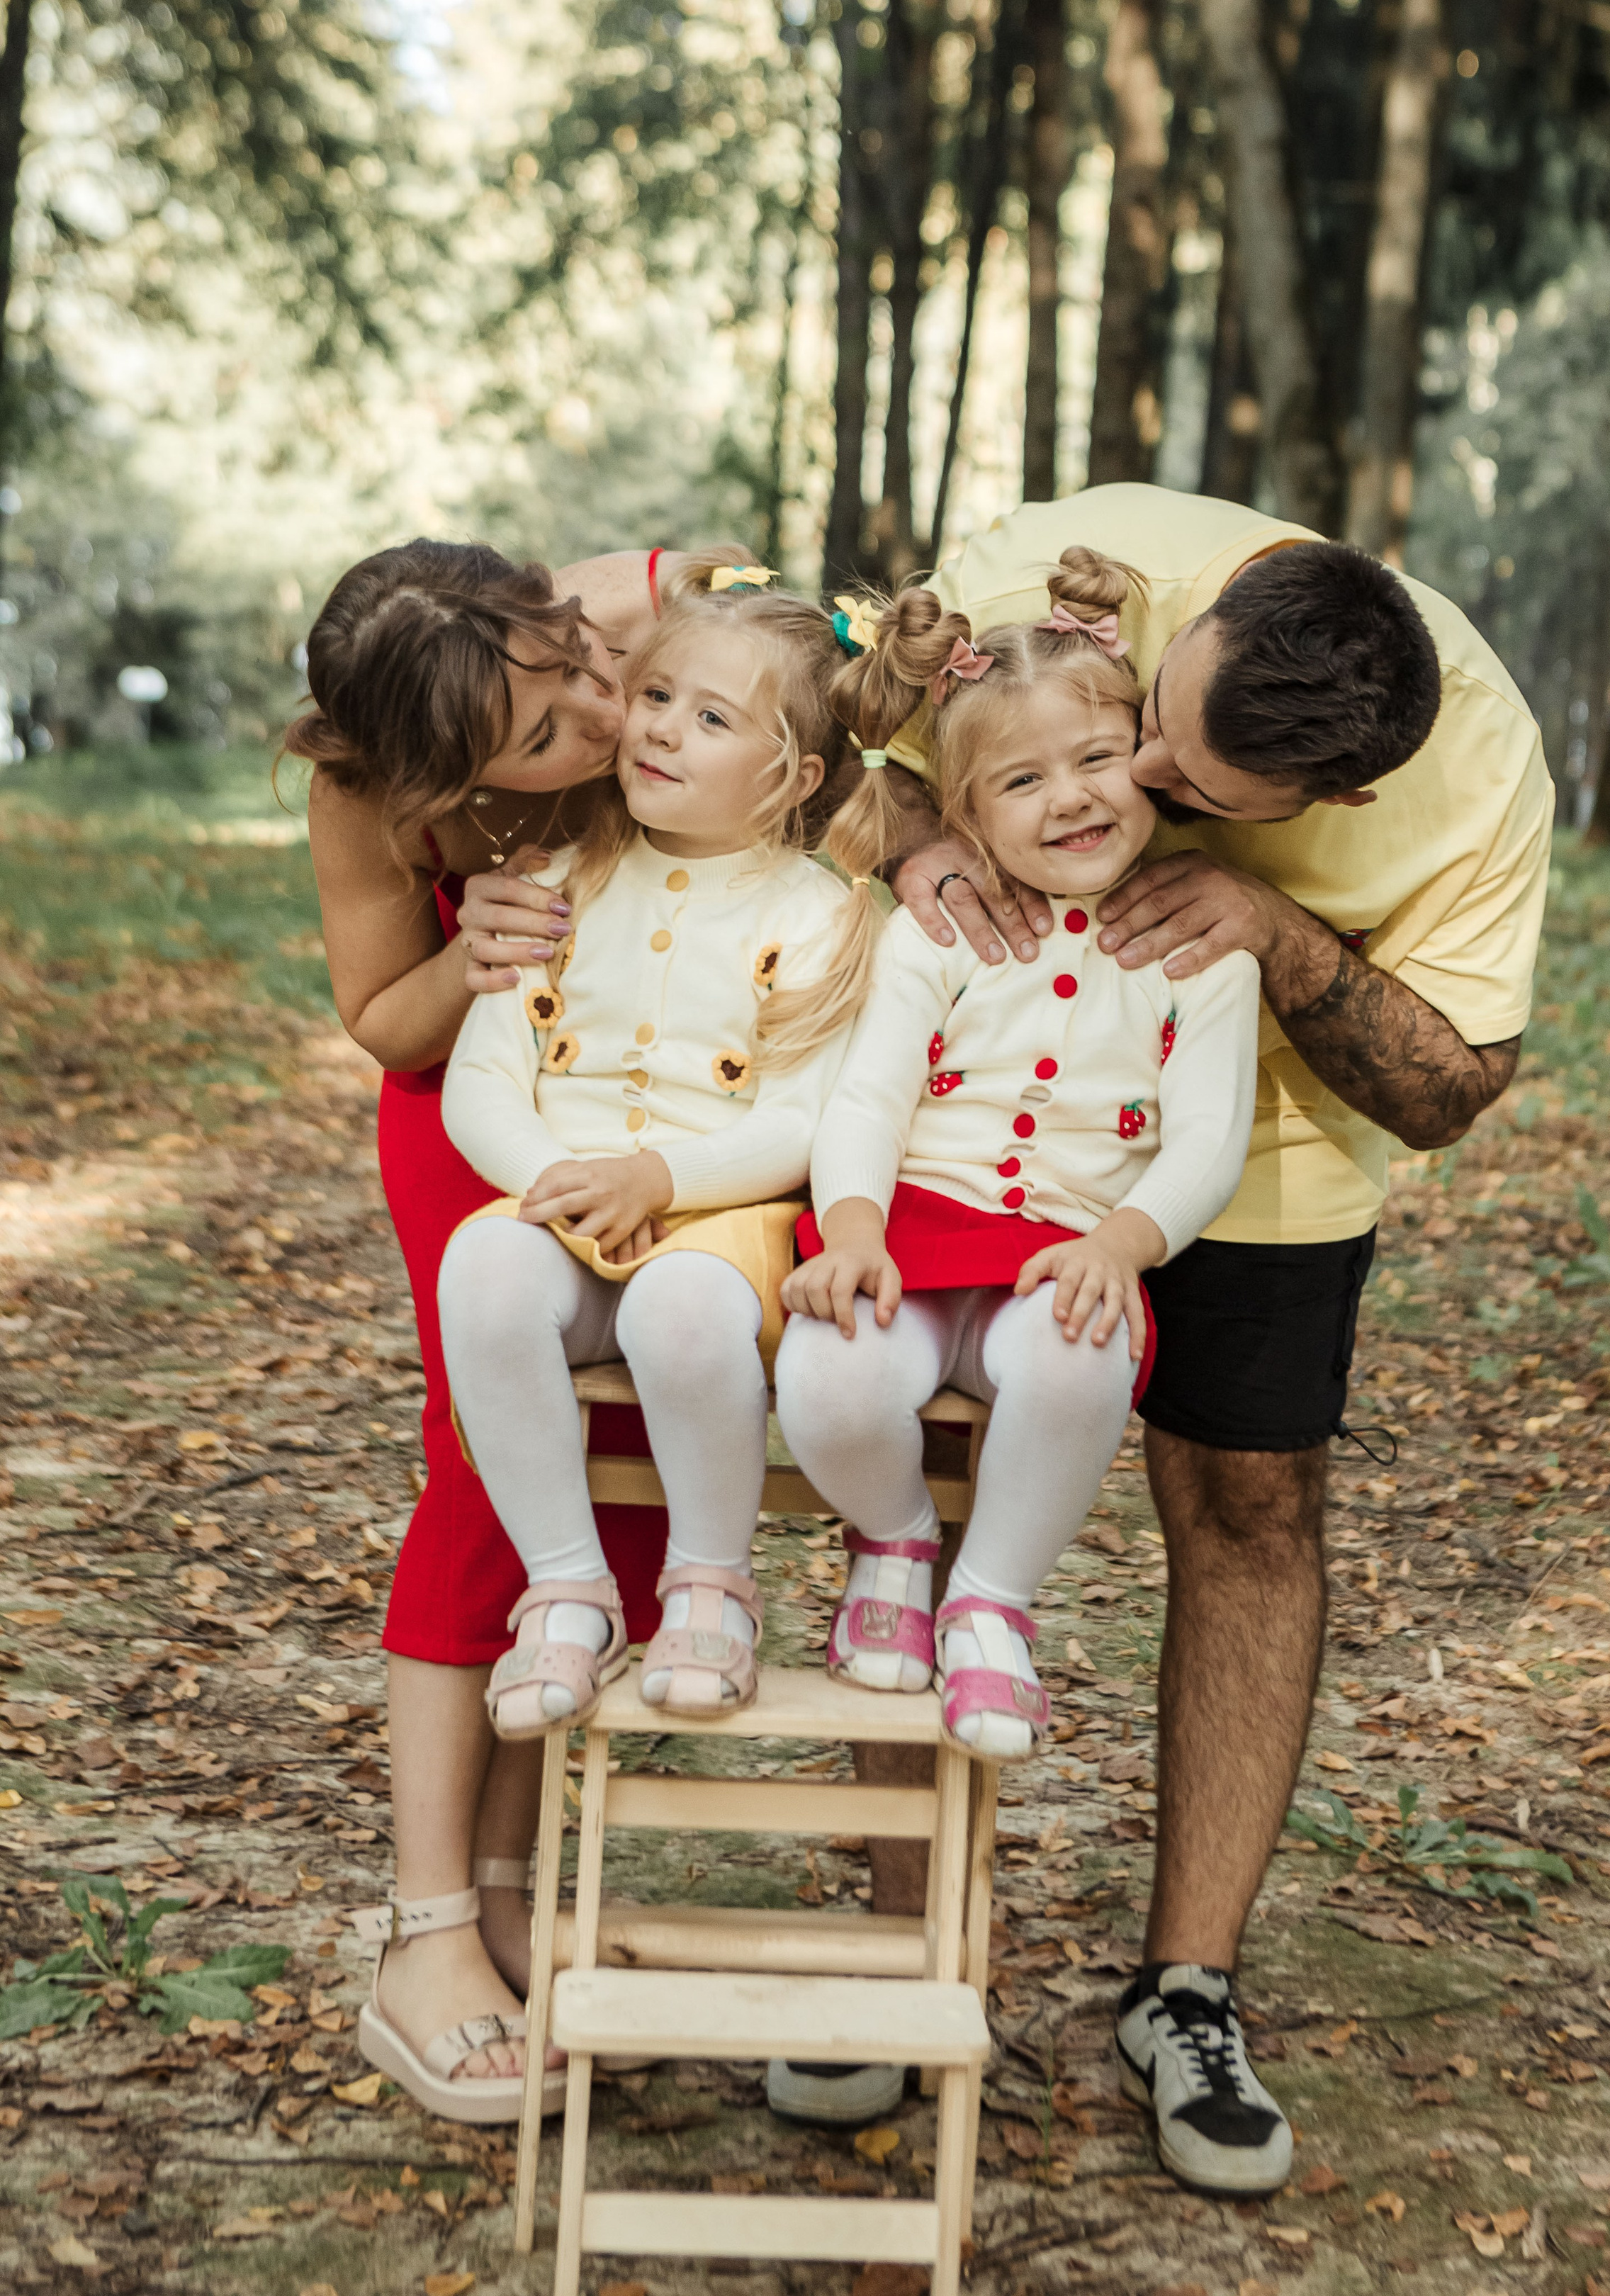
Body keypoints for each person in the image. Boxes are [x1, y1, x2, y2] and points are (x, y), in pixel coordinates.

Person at [866, 483, 1550, 2197]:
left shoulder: (1477, 778)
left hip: (1254, 1149)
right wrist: (909, 836)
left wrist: (1283, 941)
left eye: (1195, 795)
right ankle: (891, 1960)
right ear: (1220, 608)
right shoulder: (1087, 553)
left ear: (1342, 796)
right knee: (920, 1485)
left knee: (1249, 1518)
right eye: (1152, 733)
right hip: (981, 1118)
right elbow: (831, 730)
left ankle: (1186, 1994)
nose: (1140, 791)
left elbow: (1453, 1088)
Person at [295, 537, 763, 2117]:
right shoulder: (373, 787)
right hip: (478, 1103)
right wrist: (468, 949)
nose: (596, 712)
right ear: (434, 772)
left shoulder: (646, 605)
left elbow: (818, 699)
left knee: (630, 1454)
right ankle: (424, 1935)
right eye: (549, 731)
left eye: (571, 657)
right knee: (490, 1471)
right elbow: (380, 1019)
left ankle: (513, 1884)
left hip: (671, 1090)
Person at [775, 553, 1257, 1774]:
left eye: (1097, 762)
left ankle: (991, 1600)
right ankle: (895, 1544)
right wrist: (853, 1229)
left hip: (1067, 1251)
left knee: (1080, 1353)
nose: (1071, 800)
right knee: (830, 1379)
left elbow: (1208, 1136)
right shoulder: (935, 932)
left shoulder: (1202, 954)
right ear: (967, 813)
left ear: (1146, 765)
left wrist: (1123, 1244)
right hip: (916, 1235)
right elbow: (871, 1095)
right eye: (1022, 781)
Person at [432, 578, 869, 1748]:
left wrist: (662, 1185)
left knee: (680, 1308)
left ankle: (710, 1586)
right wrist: (562, 1186)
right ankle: (569, 1590)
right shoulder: (560, 877)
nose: (664, 727)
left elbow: (808, 1120)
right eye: (658, 695)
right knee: (481, 1277)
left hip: (723, 1222)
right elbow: (483, 1080)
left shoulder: (823, 914)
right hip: (562, 1195)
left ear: (798, 777)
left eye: (714, 719)